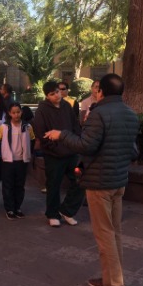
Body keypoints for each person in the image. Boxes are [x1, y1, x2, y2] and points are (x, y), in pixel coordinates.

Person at [44, 73, 139, 286]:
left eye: (97, 88)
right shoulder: (130, 114)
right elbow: (134, 151)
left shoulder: (99, 113)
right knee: (114, 232)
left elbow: (86, 145)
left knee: (105, 235)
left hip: (100, 182)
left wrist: (61, 134)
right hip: (118, 181)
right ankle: (111, 279)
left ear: (101, 92)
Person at [33, 81, 84, 227]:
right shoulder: (42, 110)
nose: (56, 95)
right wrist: (54, 148)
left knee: (81, 179)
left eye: (57, 91)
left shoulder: (67, 106)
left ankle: (67, 210)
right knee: (53, 185)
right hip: (53, 155)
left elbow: (75, 125)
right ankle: (52, 214)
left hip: (72, 152)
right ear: (47, 96)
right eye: (52, 94)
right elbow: (41, 132)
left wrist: (76, 142)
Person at [0, 102, 35, 220]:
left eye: (18, 112)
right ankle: (10, 209)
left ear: (21, 112)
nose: (16, 115)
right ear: (9, 113)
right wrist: (3, 153)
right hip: (8, 161)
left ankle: (17, 207)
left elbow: (32, 140)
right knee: (8, 185)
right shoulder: (4, 127)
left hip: (22, 161)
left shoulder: (27, 127)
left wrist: (28, 153)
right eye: (13, 112)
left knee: (20, 185)